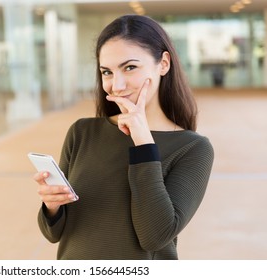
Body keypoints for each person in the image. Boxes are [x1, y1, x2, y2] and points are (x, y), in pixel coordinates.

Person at [33, 14, 214, 260]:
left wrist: (143, 142)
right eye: (107, 72)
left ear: (163, 64)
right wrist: (52, 207)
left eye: (130, 67)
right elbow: (54, 234)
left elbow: (155, 236)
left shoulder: (193, 148)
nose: (116, 85)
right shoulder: (82, 133)